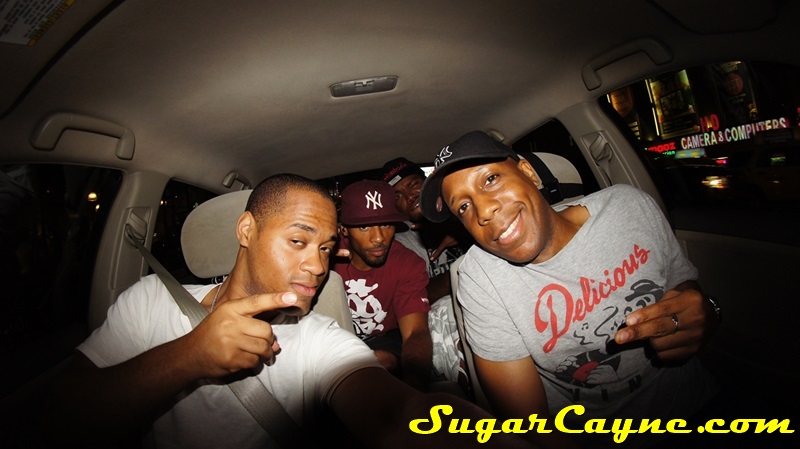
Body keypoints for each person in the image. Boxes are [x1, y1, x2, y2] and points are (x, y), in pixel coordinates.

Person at [44, 173, 535, 449]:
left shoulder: (319, 338)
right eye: (298, 241)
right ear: (246, 231)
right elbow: (56, 419)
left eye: (325, 248)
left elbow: (396, 413)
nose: (316, 266)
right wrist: (191, 356)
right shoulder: (150, 300)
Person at [419, 131, 722, 449]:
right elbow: (531, 424)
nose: (483, 212)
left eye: (491, 179)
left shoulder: (628, 207)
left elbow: (686, 293)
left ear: (529, 173)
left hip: (699, 408)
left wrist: (707, 312)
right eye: (464, 207)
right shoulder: (482, 277)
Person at [379, 157, 471, 389]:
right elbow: (420, 297)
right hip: (438, 320)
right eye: (397, 196)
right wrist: (460, 274)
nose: (409, 196)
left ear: (428, 181)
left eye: (412, 185)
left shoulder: (465, 211)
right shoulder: (397, 243)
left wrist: (462, 231)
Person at [332, 179, 433, 390]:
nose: (378, 238)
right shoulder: (324, 256)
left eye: (386, 224)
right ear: (344, 230)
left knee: (380, 361)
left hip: (384, 340)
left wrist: (415, 389)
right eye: (364, 226)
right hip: (332, 339)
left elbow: (415, 333)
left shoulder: (408, 263)